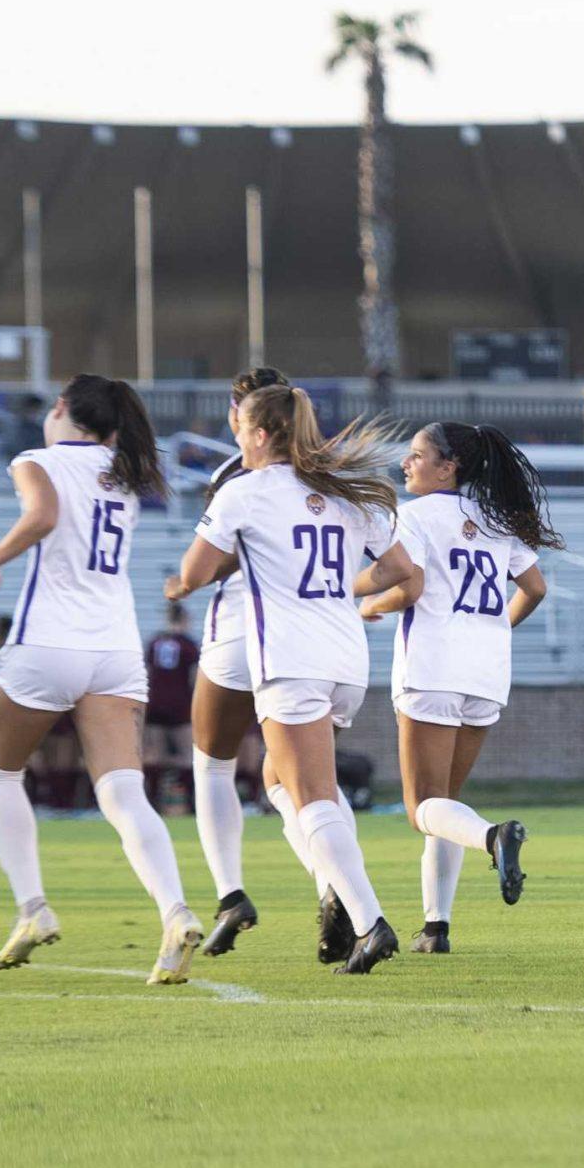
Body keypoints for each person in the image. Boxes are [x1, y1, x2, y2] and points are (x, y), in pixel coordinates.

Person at [0, 374, 203, 983]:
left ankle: (32, 906)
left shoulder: (38, 459)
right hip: (113, 649)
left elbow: (42, 516)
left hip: (47, 643)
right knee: (121, 792)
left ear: (60, 409)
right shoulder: (128, 471)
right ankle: (175, 909)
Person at [168, 385, 403, 974]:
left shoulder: (243, 492)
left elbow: (194, 573)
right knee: (297, 783)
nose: (240, 441)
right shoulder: (346, 491)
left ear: (261, 433)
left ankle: (370, 921)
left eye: (244, 431)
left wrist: (179, 586)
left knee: (309, 797)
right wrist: (330, 586)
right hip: (347, 655)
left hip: (290, 658)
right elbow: (401, 572)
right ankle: (353, 908)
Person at [353, 422, 557, 953]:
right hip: (486, 672)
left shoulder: (414, 516)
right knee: (446, 805)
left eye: (416, 455)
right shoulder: (494, 519)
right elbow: (534, 588)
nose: (406, 463)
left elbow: (408, 587)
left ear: (448, 467)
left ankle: (495, 836)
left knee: (421, 806)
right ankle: (436, 928)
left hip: (433, 667)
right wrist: (494, 629)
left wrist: (368, 605)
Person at [177, 365, 292, 959]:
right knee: (303, 780)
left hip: (242, 632)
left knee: (212, 766)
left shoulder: (235, 478)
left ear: (242, 420)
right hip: (318, 641)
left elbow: (214, 563)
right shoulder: (332, 469)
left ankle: (230, 894)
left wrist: (180, 582)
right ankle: (341, 895)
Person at [143, 602, 200, 812]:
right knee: (186, 754)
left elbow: (147, 674)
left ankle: (153, 801)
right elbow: (194, 678)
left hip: (156, 703)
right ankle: (189, 803)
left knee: (154, 755)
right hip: (180, 704)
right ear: (185, 619)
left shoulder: (155, 642)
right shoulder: (189, 644)